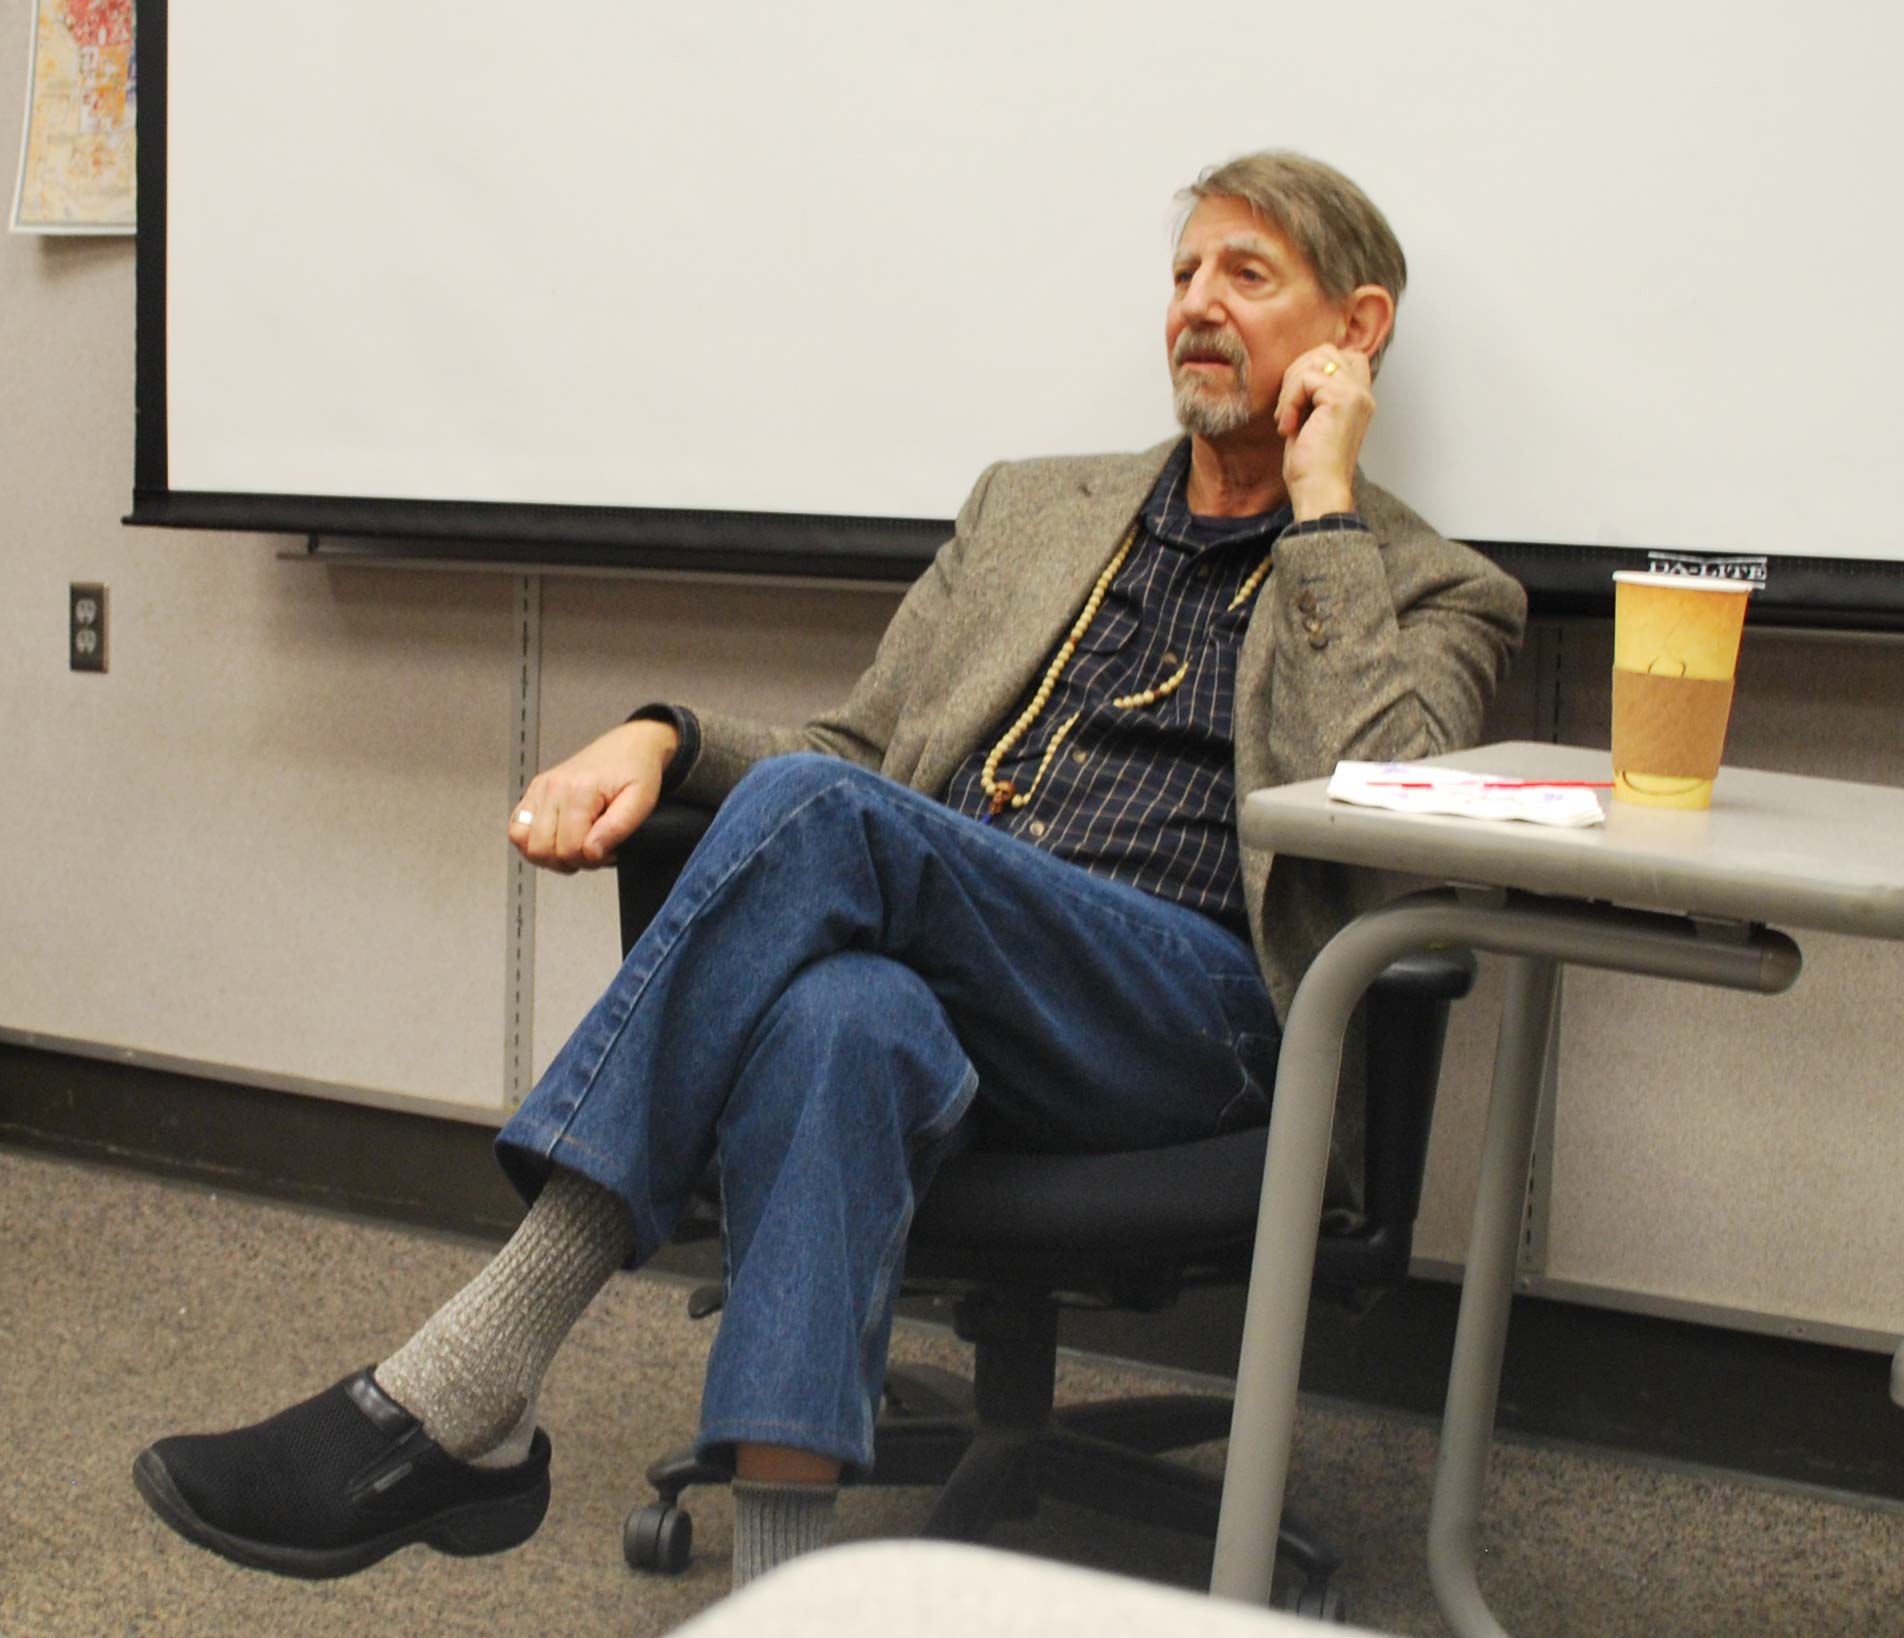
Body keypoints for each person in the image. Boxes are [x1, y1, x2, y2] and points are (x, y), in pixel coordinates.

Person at [132, 151, 1526, 1589]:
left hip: (1199, 1017)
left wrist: (1323, 513)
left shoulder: (1429, 583)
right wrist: (664, 736)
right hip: (969, 968)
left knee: (835, 835)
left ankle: (473, 1371)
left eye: (1248, 274)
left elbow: (1390, 802)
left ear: (1357, 330)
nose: (1196, 305)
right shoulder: (1033, 510)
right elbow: (857, 750)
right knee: (838, 1018)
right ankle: (779, 1591)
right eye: (1183, 273)